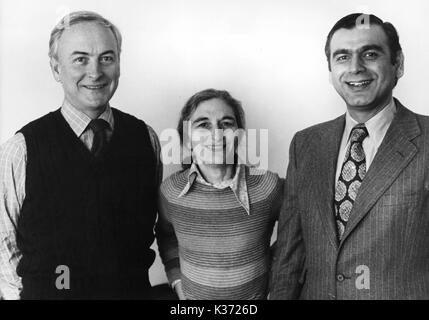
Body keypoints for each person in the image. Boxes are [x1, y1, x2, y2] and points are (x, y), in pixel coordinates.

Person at [0, 11, 162, 299]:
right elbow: (4, 244)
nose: (95, 72)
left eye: (107, 58)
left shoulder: (146, 139)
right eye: (80, 59)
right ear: (55, 68)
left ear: (119, 64)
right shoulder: (22, 149)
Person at [271, 13, 429, 299]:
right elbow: (289, 253)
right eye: (342, 57)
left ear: (398, 63)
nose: (355, 68)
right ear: (330, 69)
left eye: (370, 54)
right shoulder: (305, 144)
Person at [155, 89, 283, 300]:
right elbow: (167, 236)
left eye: (226, 123)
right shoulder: (170, 192)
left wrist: (276, 277)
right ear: (187, 139)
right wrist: (176, 280)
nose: (216, 134)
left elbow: (299, 232)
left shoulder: (267, 186)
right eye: (203, 124)